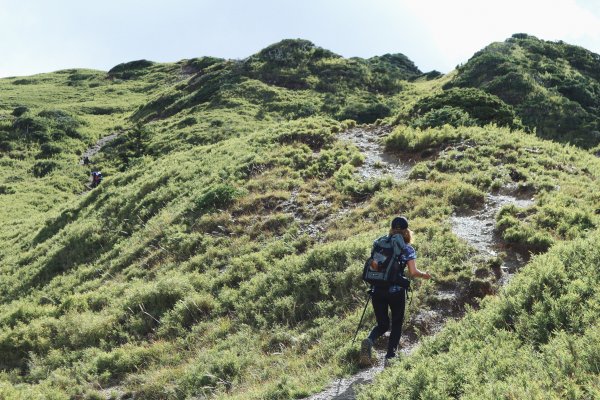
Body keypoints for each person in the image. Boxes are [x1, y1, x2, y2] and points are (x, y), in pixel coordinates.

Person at [360, 216, 432, 365]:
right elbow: (413, 272)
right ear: (407, 231)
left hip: (377, 290)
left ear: (391, 229)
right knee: (397, 323)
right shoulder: (407, 249)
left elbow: (374, 264)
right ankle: (390, 357)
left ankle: (369, 340)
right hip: (396, 291)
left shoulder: (379, 243)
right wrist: (424, 275)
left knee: (382, 324)